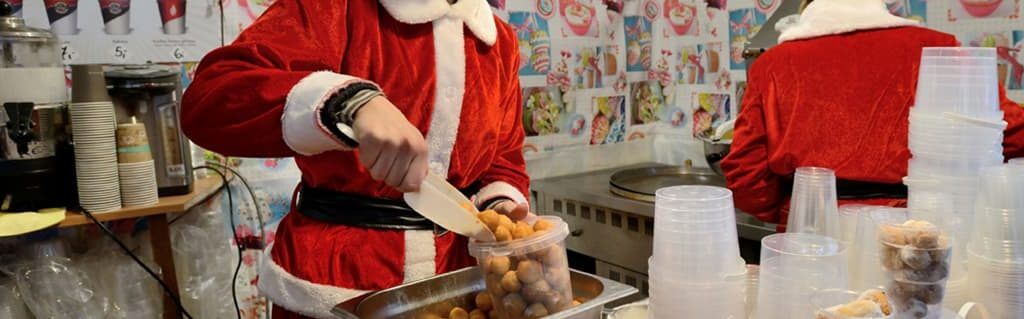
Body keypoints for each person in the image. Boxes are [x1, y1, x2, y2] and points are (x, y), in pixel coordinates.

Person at [180, 0, 531, 317]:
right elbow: (209, 101)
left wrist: (501, 205)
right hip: (335, 283)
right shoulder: (332, 8)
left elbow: (504, 154)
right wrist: (349, 103)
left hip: (458, 279)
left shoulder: (498, 40)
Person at [721, 0, 1024, 227]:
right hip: (922, 231)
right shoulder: (939, 47)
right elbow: (1010, 134)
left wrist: (795, 207)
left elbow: (746, 174)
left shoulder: (772, 64)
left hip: (812, 232)